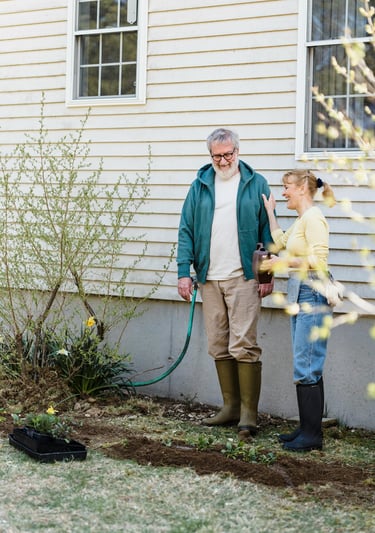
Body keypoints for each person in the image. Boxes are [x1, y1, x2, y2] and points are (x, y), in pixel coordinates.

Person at [177, 128, 273, 438]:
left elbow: (268, 232)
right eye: (217, 155)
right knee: (219, 345)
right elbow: (186, 230)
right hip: (209, 278)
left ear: (238, 151)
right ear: (210, 156)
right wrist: (183, 271)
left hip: (244, 277)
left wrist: (266, 274)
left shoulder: (255, 183)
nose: (223, 160)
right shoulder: (200, 186)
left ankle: (249, 414)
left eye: (228, 153)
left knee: (243, 345)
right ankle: (230, 408)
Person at [262, 169, 337, 452]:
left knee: (307, 366)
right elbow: (279, 241)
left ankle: (312, 436)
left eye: (286, 188)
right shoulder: (302, 220)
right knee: (306, 364)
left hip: (313, 294)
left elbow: (318, 261)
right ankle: (307, 429)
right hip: (301, 294)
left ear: (302, 190)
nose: (283, 193)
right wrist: (270, 211)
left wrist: (280, 264)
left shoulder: (315, 218)